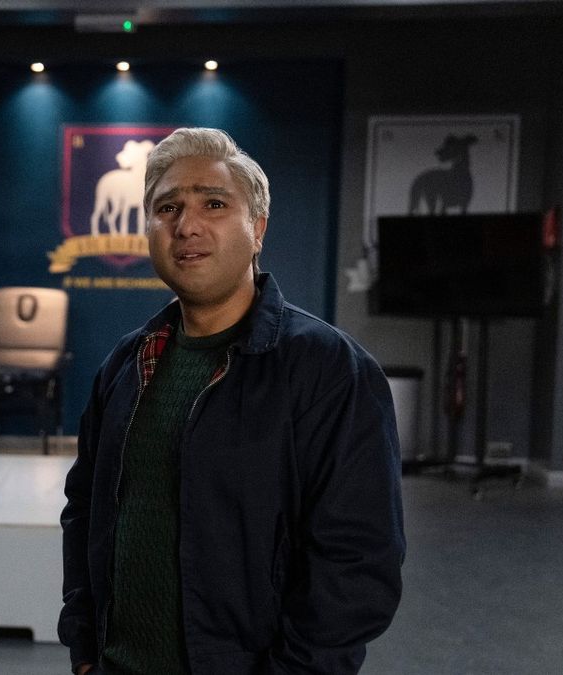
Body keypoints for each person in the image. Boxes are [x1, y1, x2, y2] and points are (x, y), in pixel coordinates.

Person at [58, 127, 404, 674]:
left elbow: (357, 565)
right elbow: (84, 513)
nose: (186, 225)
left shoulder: (330, 371)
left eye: (213, 204)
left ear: (257, 227)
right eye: (167, 207)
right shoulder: (127, 365)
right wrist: (82, 647)